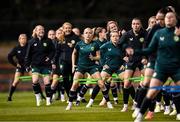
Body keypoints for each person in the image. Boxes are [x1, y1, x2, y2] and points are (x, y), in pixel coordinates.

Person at [134, 12, 180, 122]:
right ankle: (139, 114)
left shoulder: (178, 32)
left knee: (176, 89)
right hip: (161, 67)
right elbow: (149, 49)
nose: (168, 19)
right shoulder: (158, 32)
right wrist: (136, 52)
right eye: (166, 17)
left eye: (171, 17)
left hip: (176, 67)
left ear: (175, 19)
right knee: (152, 91)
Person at [132, 8, 168, 119]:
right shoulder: (155, 28)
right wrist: (145, 56)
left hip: (167, 61)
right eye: (157, 19)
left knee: (168, 87)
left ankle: (169, 107)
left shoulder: (174, 28)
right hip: (153, 59)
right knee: (146, 83)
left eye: (161, 19)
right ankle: (138, 107)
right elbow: (147, 43)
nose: (158, 21)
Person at [65, 28, 113, 110]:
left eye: (90, 33)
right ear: (83, 35)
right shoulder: (79, 44)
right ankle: (69, 104)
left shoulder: (95, 44)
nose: (88, 34)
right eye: (86, 33)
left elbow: (99, 57)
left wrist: (93, 58)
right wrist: (74, 65)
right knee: (75, 84)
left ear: (92, 35)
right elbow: (74, 53)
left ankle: (108, 103)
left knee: (101, 84)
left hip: (92, 67)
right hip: (81, 66)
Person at [119, 18, 148, 112]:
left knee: (148, 80)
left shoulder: (145, 33)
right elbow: (120, 44)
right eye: (134, 24)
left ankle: (154, 104)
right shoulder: (127, 34)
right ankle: (125, 105)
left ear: (141, 25)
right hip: (131, 61)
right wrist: (125, 53)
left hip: (142, 60)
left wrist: (144, 57)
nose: (136, 25)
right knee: (126, 83)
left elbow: (147, 46)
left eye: (138, 24)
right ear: (131, 25)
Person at [25, 25, 55, 106]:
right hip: (35, 65)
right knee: (35, 81)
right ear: (36, 31)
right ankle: (38, 97)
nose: (41, 31)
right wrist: (27, 65)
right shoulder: (31, 42)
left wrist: (49, 57)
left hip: (46, 65)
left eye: (42, 29)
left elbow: (53, 51)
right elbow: (28, 55)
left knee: (47, 82)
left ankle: (48, 100)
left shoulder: (48, 40)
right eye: (39, 29)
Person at [7, 34, 30, 101]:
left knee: (35, 79)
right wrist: (15, 64)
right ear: (19, 40)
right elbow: (9, 57)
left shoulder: (29, 47)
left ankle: (41, 96)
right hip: (20, 66)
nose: (23, 39)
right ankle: (9, 96)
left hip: (28, 66)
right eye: (22, 38)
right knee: (16, 81)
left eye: (25, 38)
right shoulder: (16, 48)